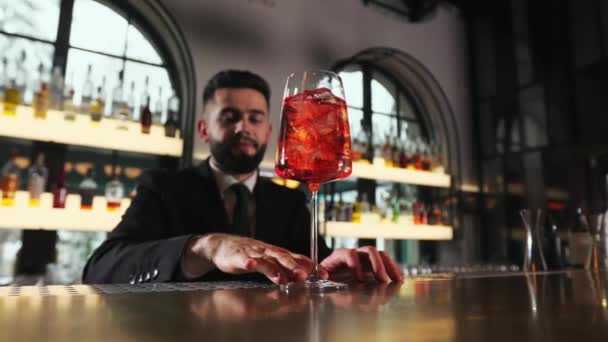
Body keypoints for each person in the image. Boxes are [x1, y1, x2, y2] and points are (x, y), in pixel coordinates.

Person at [83, 70, 403, 285]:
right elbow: (100, 269)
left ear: (268, 132)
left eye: (255, 118)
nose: (243, 127)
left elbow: (314, 267)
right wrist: (204, 247)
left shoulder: (290, 200)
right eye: (230, 116)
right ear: (204, 129)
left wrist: (340, 267)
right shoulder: (164, 188)